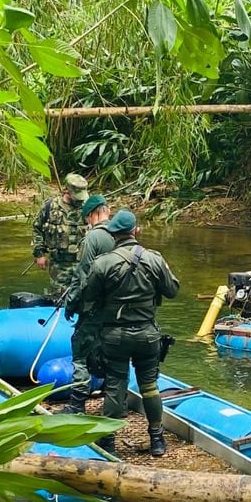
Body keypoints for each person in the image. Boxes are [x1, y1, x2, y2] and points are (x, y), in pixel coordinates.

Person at [82, 209, 179, 456]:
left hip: (115, 337)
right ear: (136, 231)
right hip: (147, 334)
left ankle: (108, 441)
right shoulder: (154, 259)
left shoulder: (103, 263)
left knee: (115, 385)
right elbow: (172, 290)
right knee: (149, 385)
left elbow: (88, 297)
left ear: (113, 235)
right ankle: (157, 440)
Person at [60, 194, 113, 413]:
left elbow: (83, 275)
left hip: (95, 309)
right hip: (120, 310)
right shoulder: (124, 234)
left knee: (80, 351)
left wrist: (71, 303)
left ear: (93, 214)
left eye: (87, 218)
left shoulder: (94, 238)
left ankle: (77, 404)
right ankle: (114, 402)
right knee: (113, 355)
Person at [31, 173, 89, 296]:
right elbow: (37, 228)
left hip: (83, 263)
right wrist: (39, 254)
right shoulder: (50, 206)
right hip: (59, 264)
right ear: (66, 191)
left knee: (84, 297)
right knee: (59, 298)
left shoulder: (88, 207)